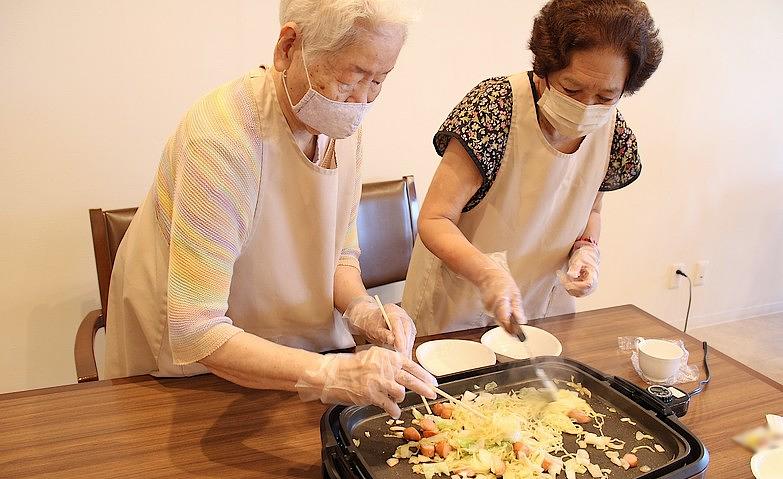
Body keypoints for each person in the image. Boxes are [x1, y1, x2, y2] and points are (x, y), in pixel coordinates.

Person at [105, 0, 436, 419]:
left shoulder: (343, 124)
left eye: (379, 80)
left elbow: (338, 253)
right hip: (188, 375)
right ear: (288, 47)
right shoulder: (222, 139)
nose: (362, 100)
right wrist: (333, 372)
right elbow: (196, 329)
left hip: (289, 361)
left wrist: (362, 310)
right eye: (352, 77)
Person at [402, 0, 663, 336]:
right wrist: (488, 274)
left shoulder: (613, 133)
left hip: (542, 305)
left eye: (606, 96)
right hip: (460, 305)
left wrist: (586, 250)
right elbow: (435, 219)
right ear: (544, 68)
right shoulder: (495, 108)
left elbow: (591, 210)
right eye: (572, 89)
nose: (586, 107)